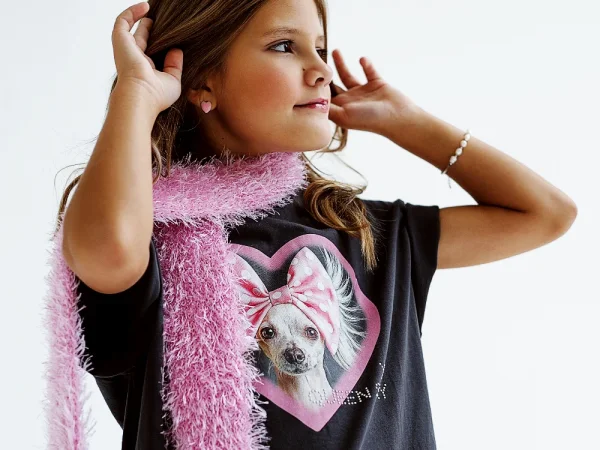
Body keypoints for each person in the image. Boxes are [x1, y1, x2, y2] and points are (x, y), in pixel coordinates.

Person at [54, 0, 577, 449]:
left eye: (321, 49)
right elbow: (106, 247)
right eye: (285, 46)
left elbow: (545, 214)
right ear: (200, 80)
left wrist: (410, 124)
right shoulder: (153, 237)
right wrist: (136, 94)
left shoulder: (365, 231)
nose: (321, 69)